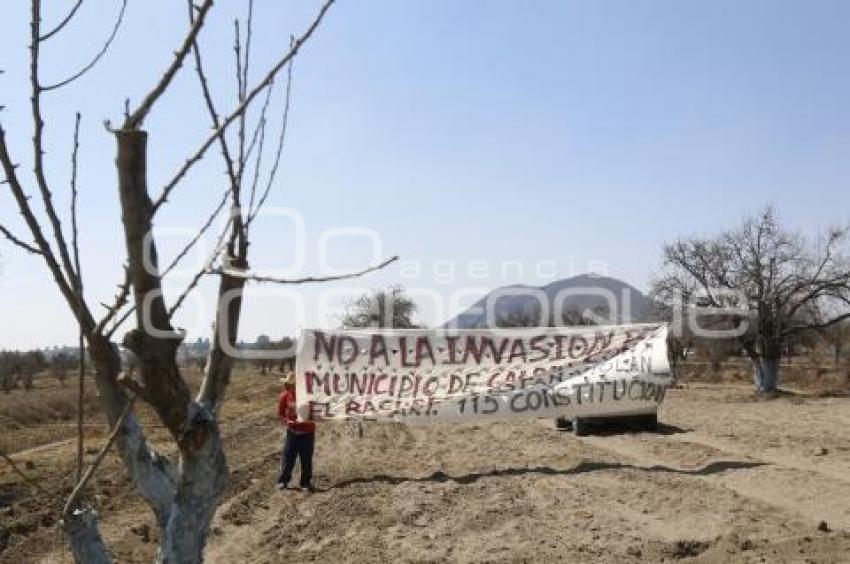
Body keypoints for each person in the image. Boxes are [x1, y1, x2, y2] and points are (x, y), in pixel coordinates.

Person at [277, 372, 316, 492]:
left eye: (293, 385)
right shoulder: (285, 396)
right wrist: (286, 421)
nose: (290, 387)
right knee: (288, 458)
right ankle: (283, 481)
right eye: (288, 384)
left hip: (307, 433)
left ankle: (305, 483)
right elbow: (281, 413)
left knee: (306, 459)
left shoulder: (310, 397)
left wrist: (311, 419)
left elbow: (317, 412)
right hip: (292, 433)